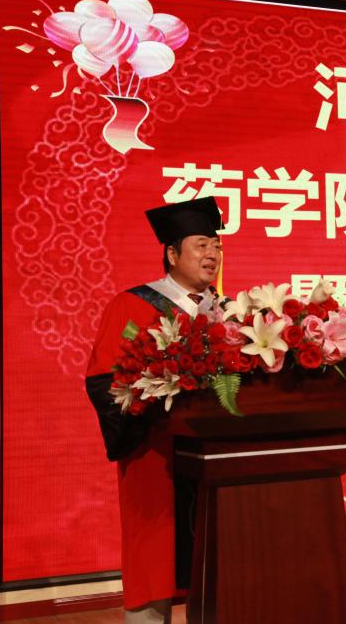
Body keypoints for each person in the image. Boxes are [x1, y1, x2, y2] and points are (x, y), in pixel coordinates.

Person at [85, 196, 223, 623]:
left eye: (216, 246)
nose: (212, 254)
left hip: (215, 458)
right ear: (172, 254)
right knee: (155, 557)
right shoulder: (133, 305)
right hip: (155, 455)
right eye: (201, 245)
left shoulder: (226, 312)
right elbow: (104, 378)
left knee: (214, 563)